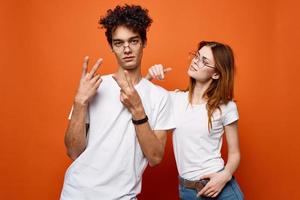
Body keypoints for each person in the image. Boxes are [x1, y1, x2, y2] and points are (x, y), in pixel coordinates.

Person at [60, 5, 175, 200]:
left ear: (144, 42)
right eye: (119, 43)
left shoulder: (160, 97)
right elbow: (73, 151)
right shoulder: (93, 86)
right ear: (111, 47)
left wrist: (137, 109)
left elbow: (155, 158)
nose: (127, 49)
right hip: (77, 193)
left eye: (134, 41)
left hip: (123, 196)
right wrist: (80, 102)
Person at [146, 41, 244, 199]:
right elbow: (137, 100)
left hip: (220, 189)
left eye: (204, 61)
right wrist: (149, 76)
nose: (195, 62)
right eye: (197, 56)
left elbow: (235, 153)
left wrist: (224, 176)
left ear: (216, 74)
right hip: (187, 191)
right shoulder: (174, 99)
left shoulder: (226, 107)